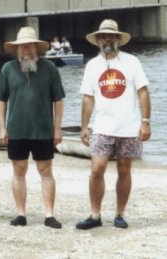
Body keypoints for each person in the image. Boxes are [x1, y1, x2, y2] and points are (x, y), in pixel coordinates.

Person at [76, 19, 151, 230]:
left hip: (128, 127)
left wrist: (145, 122)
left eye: (111, 35)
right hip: (101, 127)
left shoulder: (132, 62)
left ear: (118, 39)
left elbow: (143, 92)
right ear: (97, 40)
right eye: (103, 35)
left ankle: (120, 213)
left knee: (124, 169)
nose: (107, 39)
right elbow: (87, 98)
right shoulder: (92, 65)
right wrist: (84, 126)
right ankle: (95, 214)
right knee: (96, 169)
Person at [0, 26, 65, 229]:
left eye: (30, 45)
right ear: (17, 48)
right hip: (16, 129)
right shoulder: (8, 69)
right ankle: (20, 214)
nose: (26, 49)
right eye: (22, 45)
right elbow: (1, 100)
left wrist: (58, 128)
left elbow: (58, 100)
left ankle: (49, 214)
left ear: (36, 47)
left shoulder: (50, 68)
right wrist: (2, 127)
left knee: (45, 170)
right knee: (19, 170)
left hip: (43, 129)